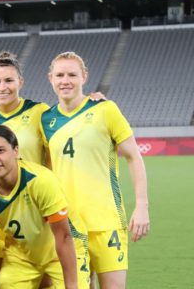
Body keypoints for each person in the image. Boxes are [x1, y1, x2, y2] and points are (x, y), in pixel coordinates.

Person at [40, 51, 150, 288]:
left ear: (84, 77)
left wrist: (142, 206)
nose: (65, 80)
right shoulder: (45, 120)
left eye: (72, 74)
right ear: (50, 78)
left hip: (107, 221)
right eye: (59, 75)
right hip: (67, 225)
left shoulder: (105, 110)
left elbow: (134, 156)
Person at [0, 125, 90, 289]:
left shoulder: (40, 181)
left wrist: (72, 286)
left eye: (0, 150)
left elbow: (64, 237)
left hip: (64, 247)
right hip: (21, 255)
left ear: (15, 151)